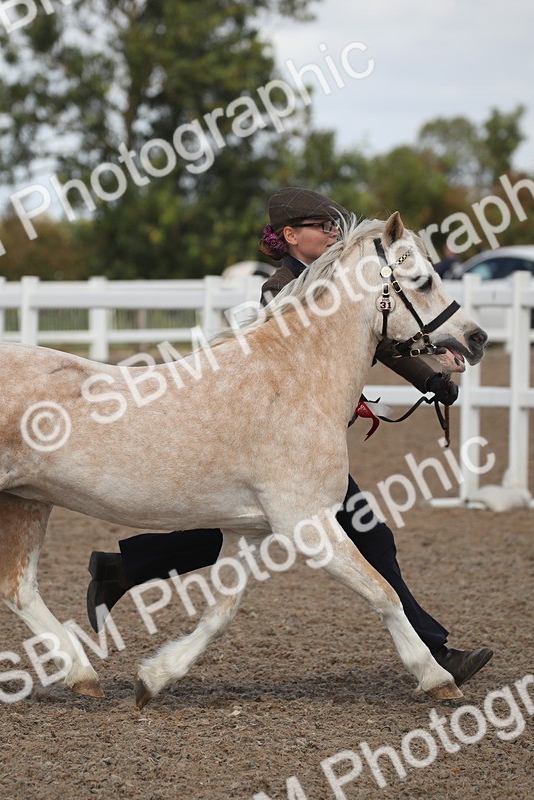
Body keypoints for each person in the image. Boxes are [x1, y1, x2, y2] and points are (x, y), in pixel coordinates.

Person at [86, 187, 493, 686]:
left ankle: (123, 568)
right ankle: (434, 656)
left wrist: (430, 377)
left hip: (301, 447)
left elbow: (381, 334)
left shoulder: (346, 280)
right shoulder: (279, 289)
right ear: (289, 236)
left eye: (333, 226)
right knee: (366, 537)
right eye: (320, 226)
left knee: (232, 527)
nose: (331, 233)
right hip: (282, 446)